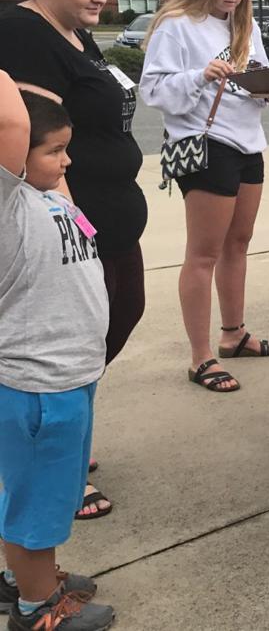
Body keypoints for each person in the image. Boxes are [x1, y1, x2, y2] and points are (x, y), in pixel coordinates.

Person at [0, 0, 148, 520]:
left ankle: (61, 435)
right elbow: (33, 141)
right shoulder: (22, 33)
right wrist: (65, 212)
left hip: (106, 220)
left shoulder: (73, 33)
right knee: (63, 347)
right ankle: (43, 452)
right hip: (65, 225)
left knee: (115, 319)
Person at [140, 0, 269, 393]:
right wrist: (199, 75)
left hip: (248, 142)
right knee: (203, 253)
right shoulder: (177, 24)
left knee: (238, 244)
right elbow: (153, 89)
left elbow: (254, 78)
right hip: (206, 145)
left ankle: (233, 334)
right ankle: (200, 357)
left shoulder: (246, 25)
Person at [0, 74, 116, 630]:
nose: (66, 161)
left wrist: (42, 101)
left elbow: (26, 116)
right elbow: (11, 120)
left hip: (69, 376)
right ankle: (36, 606)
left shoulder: (47, 196)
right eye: (55, 151)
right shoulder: (6, 203)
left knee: (49, 490)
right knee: (38, 503)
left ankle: (27, 574)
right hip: (37, 385)